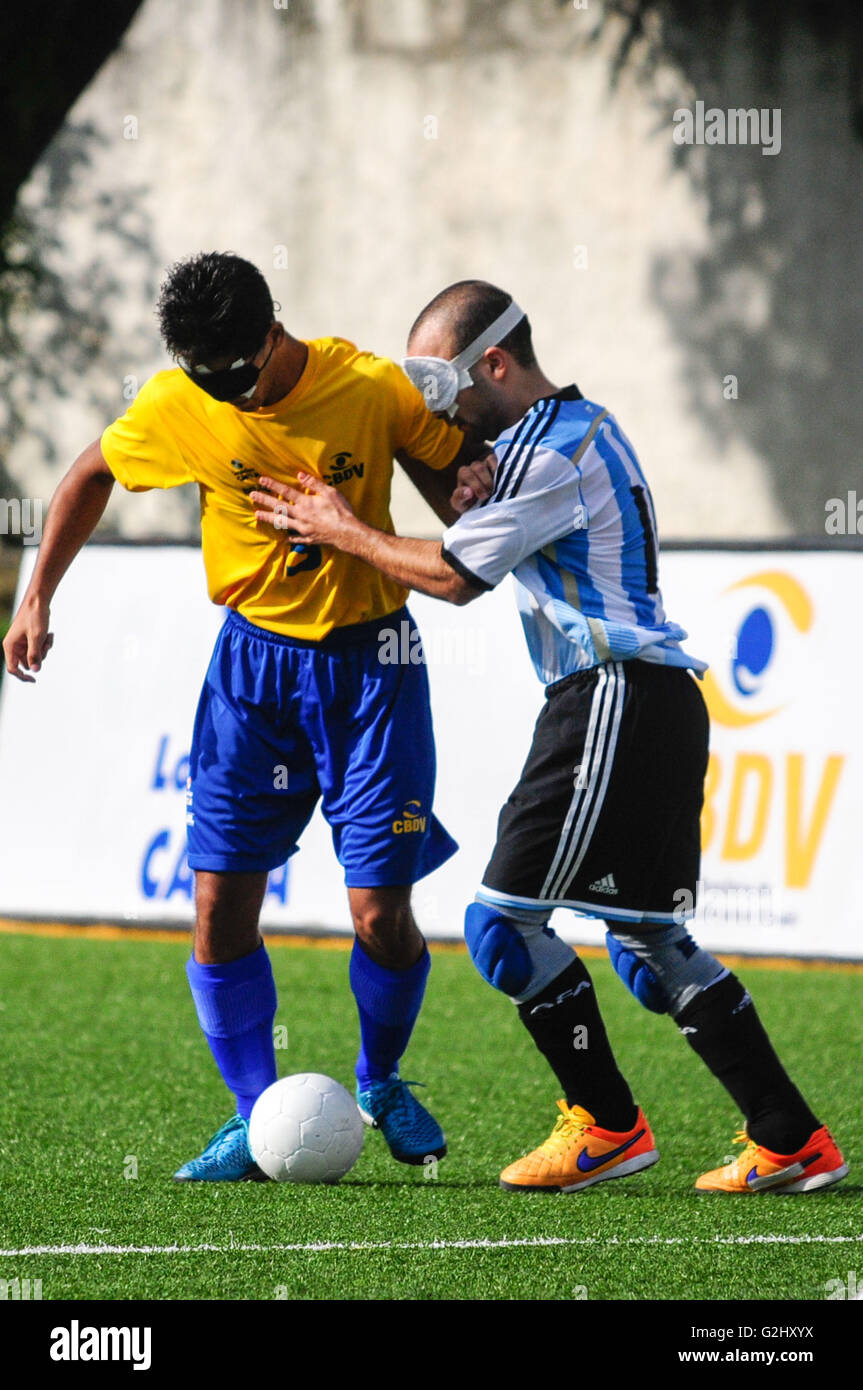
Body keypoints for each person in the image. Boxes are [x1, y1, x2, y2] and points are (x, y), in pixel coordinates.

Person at [251, 278, 848, 1196]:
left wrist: (340, 526)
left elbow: (454, 576)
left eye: (440, 385)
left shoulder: (548, 454)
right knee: (651, 948)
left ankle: (608, 1127)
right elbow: (475, 525)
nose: (435, 409)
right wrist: (431, 479)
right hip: (654, 701)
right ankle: (788, 1138)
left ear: (494, 362)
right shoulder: (568, 434)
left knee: (500, 927)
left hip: (607, 695)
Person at [2, 252, 493, 1181]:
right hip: (252, 674)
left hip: (371, 670)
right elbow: (87, 474)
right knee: (220, 905)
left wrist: (465, 482)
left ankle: (380, 1080)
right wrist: (37, 598)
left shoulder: (370, 388)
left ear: (275, 333)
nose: (225, 394)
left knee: (378, 913)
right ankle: (249, 1112)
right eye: (204, 378)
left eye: (237, 374)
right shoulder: (182, 402)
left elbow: (462, 485)